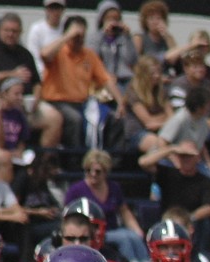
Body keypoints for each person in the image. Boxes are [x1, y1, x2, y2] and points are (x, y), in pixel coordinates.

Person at [0, 11, 66, 150]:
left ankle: (43, 163)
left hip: (25, 104)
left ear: (20, 32)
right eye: (7, 30)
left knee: (55, 118)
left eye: (15, 31)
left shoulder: (25, 54)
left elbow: (37, 82)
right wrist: (12, 74)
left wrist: (36, 98)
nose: (11, 34)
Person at [39, 14, 125, 150]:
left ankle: (112, 161)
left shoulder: (89, 55)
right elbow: (44, 54)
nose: (79, 40)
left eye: (82, 36)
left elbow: (106, 79)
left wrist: (120, 102)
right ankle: (74, 162)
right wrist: (68, 36)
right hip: (58, 102)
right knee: (75, 120)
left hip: (82, 103)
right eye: (76, 36)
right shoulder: (58, 52)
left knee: (112, 118)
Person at [66, 149, 148, 262]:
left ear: (105, 172)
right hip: (93, 232)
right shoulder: (76, 190)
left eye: (97, 171)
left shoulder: (114, 187)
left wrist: (137, 230)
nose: (93, 174)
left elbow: (124, 211)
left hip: (113, 229)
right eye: (89, 170)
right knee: (125, 237)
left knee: (133, 236)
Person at [137, 139, 210, 251]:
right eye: (182, 156)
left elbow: (209, 207)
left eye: (189, 156)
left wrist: (187, 219)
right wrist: (172, 149)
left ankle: (197, 255)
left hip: (191, 220)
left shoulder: (206, 181)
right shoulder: (168, 174)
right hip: (167, 219)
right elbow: (143, 162)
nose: (186, 159)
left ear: (198, 157)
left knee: (204, 224)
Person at [91, 0, 136, 90]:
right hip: (105, 78)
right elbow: (93, 57)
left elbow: (132, 60)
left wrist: (128, 38)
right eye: (109, 19)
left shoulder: (123, 38)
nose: (113, 22)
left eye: (115, 19)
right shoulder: (95, 37)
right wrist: (103, 33)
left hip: (124, 78)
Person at [27, 0, 67, 78]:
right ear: (46, 9)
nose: (55, 12)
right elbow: (34, 56)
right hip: (43, 76)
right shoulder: (37, 29)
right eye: (52, 8)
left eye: (58, 8)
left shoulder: (67, 28)